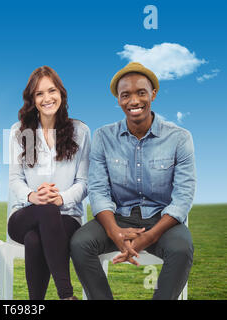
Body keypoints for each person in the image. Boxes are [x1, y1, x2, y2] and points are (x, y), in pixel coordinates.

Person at [70, 62, 196, 300]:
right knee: (80, 243)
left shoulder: (179, 138)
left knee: (181, 249)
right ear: (118, 99)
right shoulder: (104, 137)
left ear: (153, 94)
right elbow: (98, 190)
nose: (134, 101)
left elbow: (183, 197)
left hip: (162, 219)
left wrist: (149, 237)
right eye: (125, 95)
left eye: (141, 93)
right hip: (118, 217)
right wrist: (114, 231)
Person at [8, 66, 90, 300]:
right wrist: (33, 197)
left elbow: (84, 183)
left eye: (51, 91)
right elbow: (15, 179)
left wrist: (61, 198)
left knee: (35, 240)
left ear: (61, 94)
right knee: (44, 210)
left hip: (68, 218)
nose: (46, 98)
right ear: (32, 100)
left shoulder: (80, 131)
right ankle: (66, 295)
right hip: (24, 215)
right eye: (39, 94)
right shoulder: (19, 132)